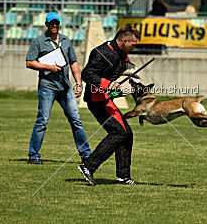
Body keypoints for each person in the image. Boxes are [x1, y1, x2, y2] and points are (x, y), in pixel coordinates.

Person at [78, 25, 141, 185]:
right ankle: (88, 166)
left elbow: (122, 67)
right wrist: (108, 84)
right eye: (133, 44)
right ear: (124, 40)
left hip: (106, 99)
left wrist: (129, 73)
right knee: (119, 132)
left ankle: (123, 176)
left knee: (127, 133)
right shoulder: (103, 53)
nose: (134, 47)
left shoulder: (121, 53)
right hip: (97, 100)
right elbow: (87, 74)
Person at [25, 12, 91, 164]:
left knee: (76, 120)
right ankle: (33, 156)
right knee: (42, 121)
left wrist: (79, 83)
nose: (54, 25)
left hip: (65, 87)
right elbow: (29, 62)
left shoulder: (66, 40)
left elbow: (73, 62)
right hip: (47, 87)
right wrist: (48, 67)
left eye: (56, 22)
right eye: (51, 22)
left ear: (59, 24)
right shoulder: (39, 41)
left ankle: (86, 155)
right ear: (46, 24)